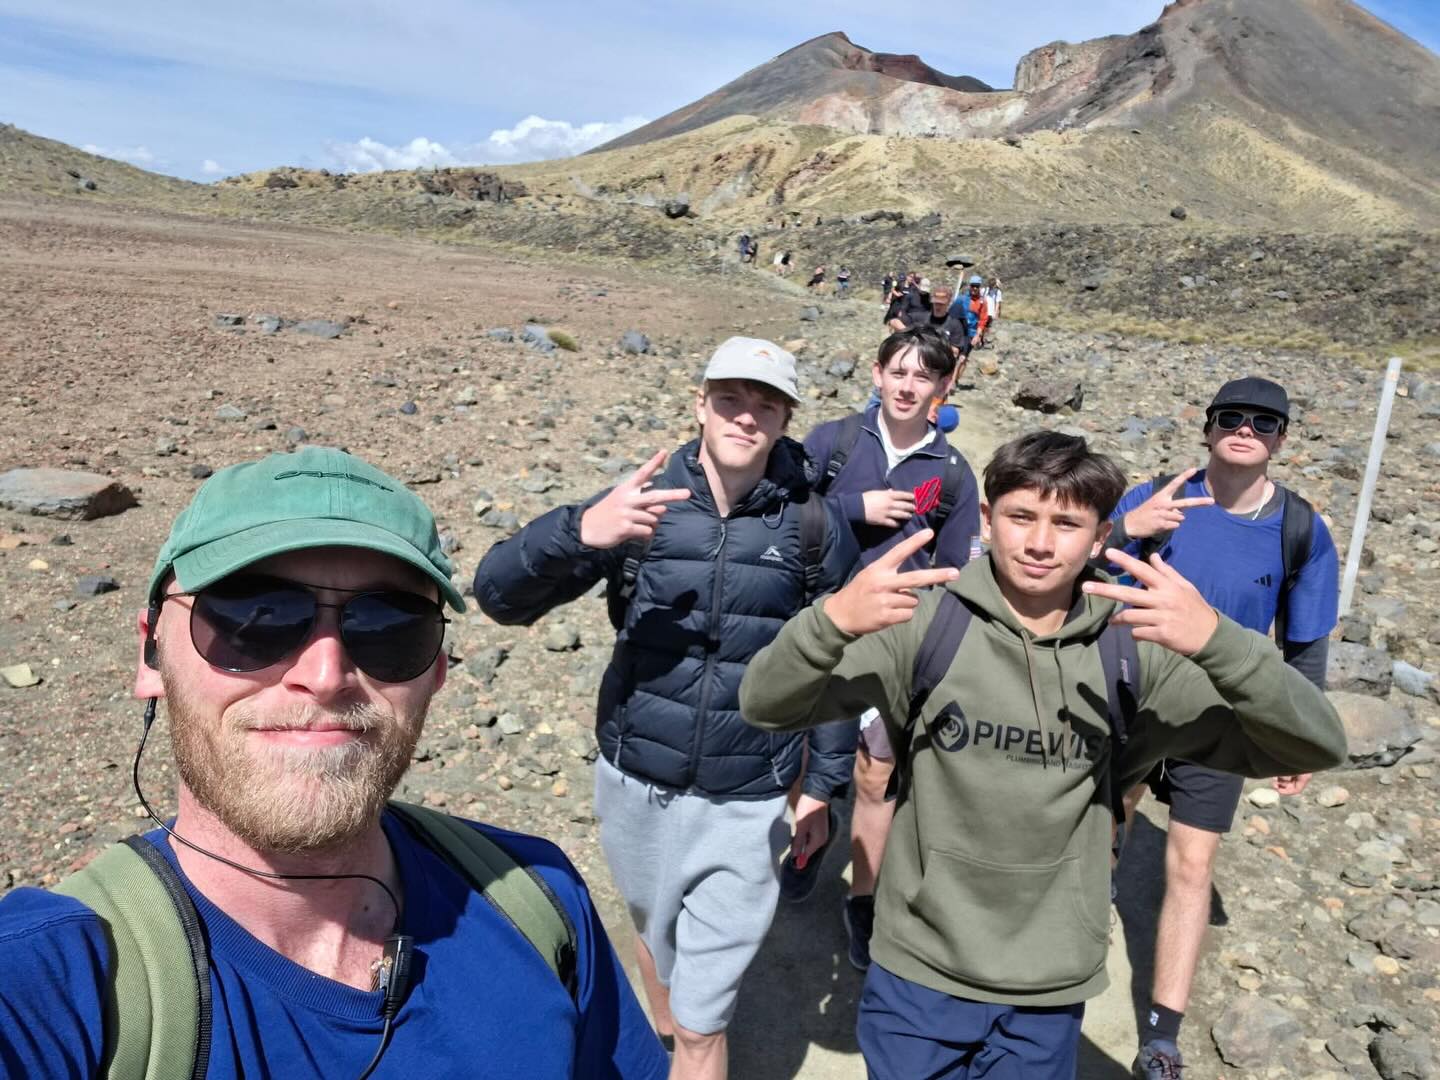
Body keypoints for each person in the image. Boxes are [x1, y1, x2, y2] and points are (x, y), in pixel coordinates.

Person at [0, 446, 668, 1079]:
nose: (325, 675)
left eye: (389, 625)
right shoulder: (52, 982)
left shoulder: (540, 898)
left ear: (435, 669)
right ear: (152, 655)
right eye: (251, 618)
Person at [738, 430, 1346, 1079]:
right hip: (917, 973)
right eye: (1021, 515)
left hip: (1046, 992)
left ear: (1101, 536)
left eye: (1066, 522)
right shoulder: (925, 625)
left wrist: (1219, 641)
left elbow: (1316, 741)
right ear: (986, 519)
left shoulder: (1134, 650)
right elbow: (764, 705)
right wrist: (828, 622)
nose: (1038, 542)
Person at [473, 338, 859, 1080]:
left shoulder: (813, 525)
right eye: (730, 399)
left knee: (705, 1022)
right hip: (637, 778)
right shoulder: (640, 507)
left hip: (749, 796)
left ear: (785, 420)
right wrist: (577, 534)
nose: (746, 418)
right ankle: (664, 1031)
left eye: (766, 405)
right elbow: (497, 597)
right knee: (653, 934)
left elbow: (839, 661)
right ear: (700, 404)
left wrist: (821, 785)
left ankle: (688, 1043)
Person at [1108, 376, 1339, 1080]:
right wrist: (1125, 529)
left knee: (1193, 864)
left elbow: (1304, 646)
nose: (1246, 429)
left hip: (1219, 716)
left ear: (1282, 439)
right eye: (1231, 417)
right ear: (1207, 428)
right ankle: (1070, 945)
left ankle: (1161, 1035)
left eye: (1264, 422)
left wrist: (1296, 728)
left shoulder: (1301, 529)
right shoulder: (1156, 496)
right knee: (1103, 826)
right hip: (1131, 695)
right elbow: (1075, 570)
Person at [797, 326, 979, 969]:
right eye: (897, 372)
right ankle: (808, 839)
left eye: (923, 376)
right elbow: (785, 515)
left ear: (943, 387)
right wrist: (853, 508)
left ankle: (864, 899)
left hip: (897, 646)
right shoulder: (833, 442)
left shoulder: (952, 474)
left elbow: (958, 569)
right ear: (876, 374)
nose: (907, 386)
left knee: (878, 775)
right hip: (818, 628)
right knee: (801, 750)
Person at [900, 283, 971, 360]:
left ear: (948, 302)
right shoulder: (920, 317)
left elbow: (955, 351)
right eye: (936, 303)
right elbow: (895, 320)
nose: (938, 306)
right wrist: (909, 333)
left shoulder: (954, 324)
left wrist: (934, 344)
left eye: (941, 304)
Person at [949, 275, 989, 349]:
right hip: (958, 331)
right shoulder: (961, 299)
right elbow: (952, 315)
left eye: (977, 286)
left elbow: (982, 321)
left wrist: (978, 336)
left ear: (980, 287)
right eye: (973, 285)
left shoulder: (982, 302)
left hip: (972, 333)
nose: (975, 288)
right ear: (969, 286)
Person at [980, 277, 1003, 347]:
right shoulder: (984, 290)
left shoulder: (997, 292)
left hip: (990, 312)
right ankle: (980, 341)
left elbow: (997, 303)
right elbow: (980, 299)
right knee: (981, 326)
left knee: (987, 327)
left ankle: (983, 341)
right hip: (983, 311)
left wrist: (996, 313)